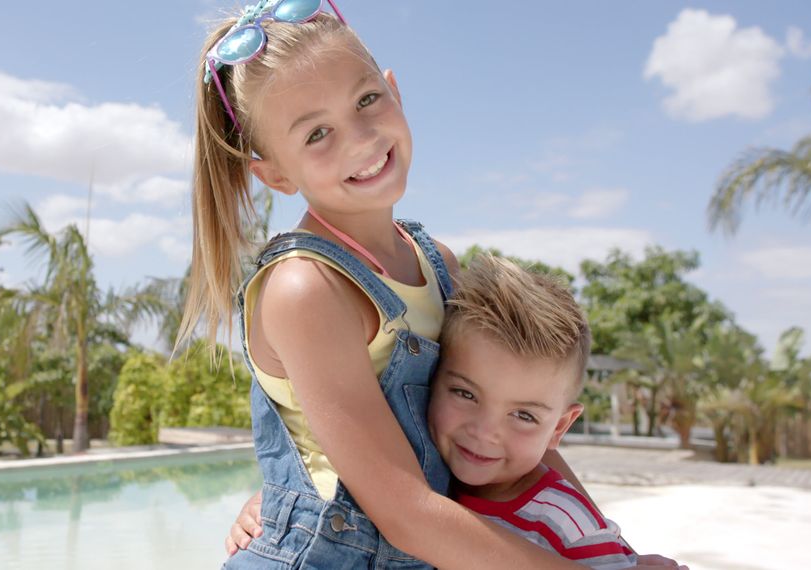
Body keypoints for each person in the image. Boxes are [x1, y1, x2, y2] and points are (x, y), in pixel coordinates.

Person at [180, 1, 682, 568]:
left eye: (367, 99)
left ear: (395, 90)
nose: (361, 138)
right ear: (274, 172)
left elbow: (527, 448)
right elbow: (404, 510)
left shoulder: (437, 262)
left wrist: (618, 556)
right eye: (317, 133)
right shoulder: (307, 288)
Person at [428, 254, 637, 568]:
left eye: (524, 415)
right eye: (465, 394)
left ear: (559, 428)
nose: (484, 432)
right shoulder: (426, 478)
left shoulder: (568, 523)